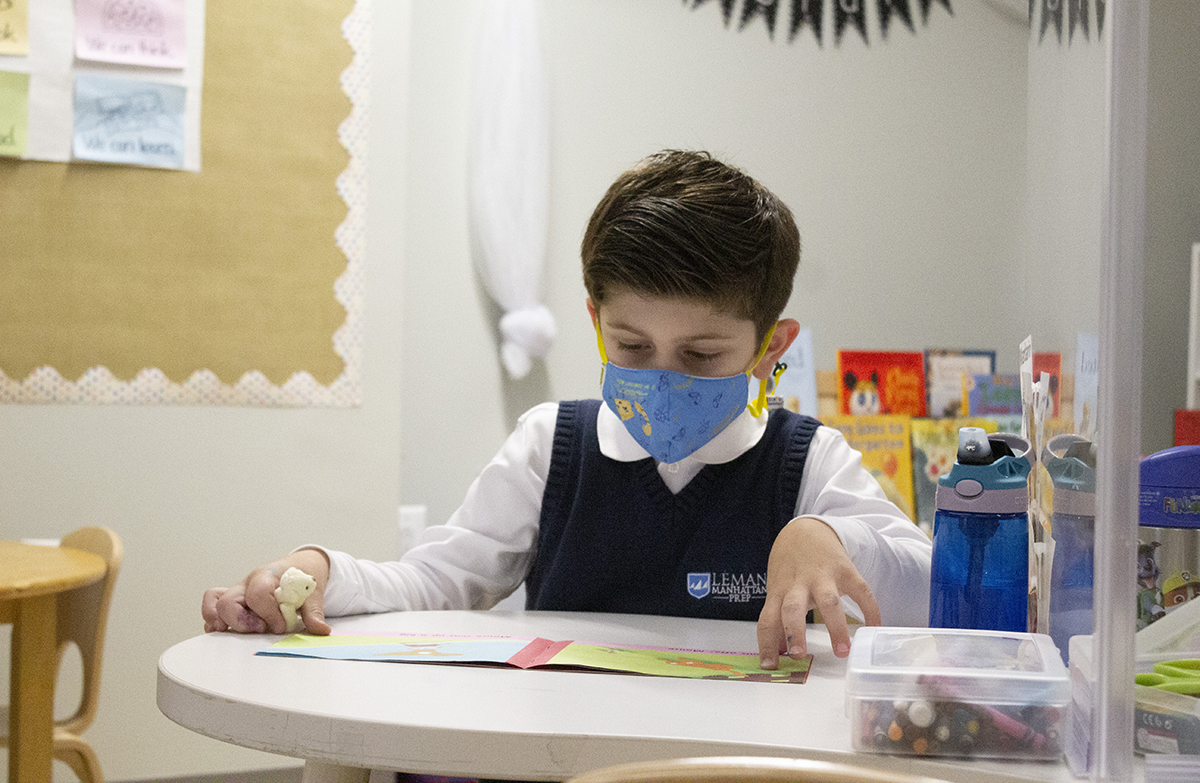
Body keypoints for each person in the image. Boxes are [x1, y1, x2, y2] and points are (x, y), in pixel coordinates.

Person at [202, 149, 932, 674]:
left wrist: (834, 539)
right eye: (632, 345)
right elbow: (437, 583)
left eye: (702, 355)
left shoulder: (806, 463)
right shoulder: (553, 445)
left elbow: (938, 601)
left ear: (771, 348)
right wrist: (319, 572)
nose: (662, 376)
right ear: (594, 321)